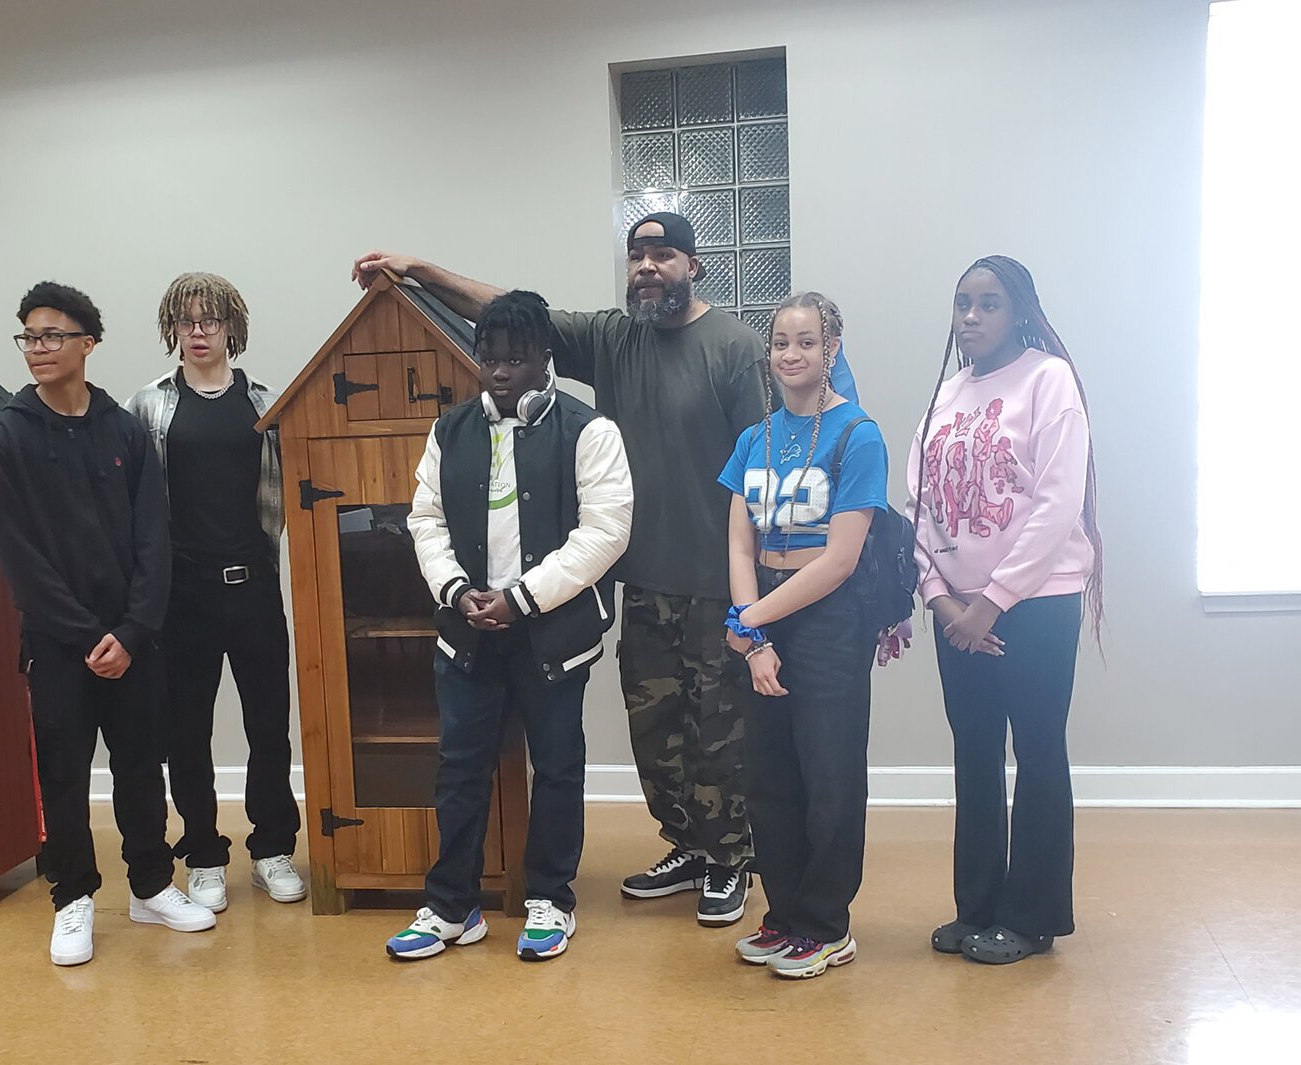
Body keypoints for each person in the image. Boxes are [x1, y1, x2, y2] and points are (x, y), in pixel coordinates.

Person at [353, 213, 857, 926]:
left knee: (722, 735)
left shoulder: (739, 348)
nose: (648, 267)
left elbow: (768, 462)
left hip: (720, 583)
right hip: (639, 578)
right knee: (657, 732)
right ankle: (686, 844)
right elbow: (513, 314)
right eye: (637, 255)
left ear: (693, 265)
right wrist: (420, 271)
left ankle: (727, 860)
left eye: (664, 254)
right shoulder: (614, 338)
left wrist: (768, 595)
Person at [385, 291, 632, 962]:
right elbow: (424, 519)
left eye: (514, 358)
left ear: (546, 357)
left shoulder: (590, 430)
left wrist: (521, 599)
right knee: (459, 768)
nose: (498, 371)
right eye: (487, 357)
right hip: (467, 631)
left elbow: (605, 533)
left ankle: (550, 898)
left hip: (550, 632)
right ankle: (450, 906)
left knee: (557, 767)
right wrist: (455, 588)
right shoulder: (450, 430)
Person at [0, 281, 216, 967]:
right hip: (60, 648)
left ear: (89, 342)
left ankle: (150, 884)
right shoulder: (7, 438)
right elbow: (20, 559)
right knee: (63, 773)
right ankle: (73, 898)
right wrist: (88, 637)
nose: (38, 348)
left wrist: (134, 630)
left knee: (142, 767)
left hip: (135, 641)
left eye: (53, 335)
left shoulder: (124, 429)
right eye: (29, 336)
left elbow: (154, 539)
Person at [907, 255, 1102, 965]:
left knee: (1039, 751)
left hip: (1035, 606)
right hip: (955, 610)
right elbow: (917, 508)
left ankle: (1032, 915)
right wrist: (941, 599)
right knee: (974, 753)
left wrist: (989, 605)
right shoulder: (947, 395)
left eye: (989, 303)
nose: (971, 316)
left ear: (1019, 310)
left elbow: (1056, 503)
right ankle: (978, 906)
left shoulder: (1049, 381)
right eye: (962, 302)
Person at [719, 292, 889, 979]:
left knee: (829, 776)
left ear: (832, 351)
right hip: (760, 610)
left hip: (828, 617)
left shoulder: (858, 434)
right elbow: (738, 545)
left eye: (807, 342)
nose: (791, 355)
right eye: (781, 342)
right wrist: (752, 628)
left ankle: (826, 923)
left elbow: (841, 557)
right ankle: (784, 913)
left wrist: (752, 620)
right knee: (770, 777)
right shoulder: (753, 439)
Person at [126, 272, 305, 911]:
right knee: (186, 731)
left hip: (253, 587)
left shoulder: (265, 401)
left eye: (210, 320)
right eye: (186, 321)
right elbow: (135, 503)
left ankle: (273, 848)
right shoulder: (149, 406)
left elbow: (289, 491)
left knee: (269, 724)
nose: (198, 332)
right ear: (172, 329)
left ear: (233, 326)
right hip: (182, 597)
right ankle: (202, 853)